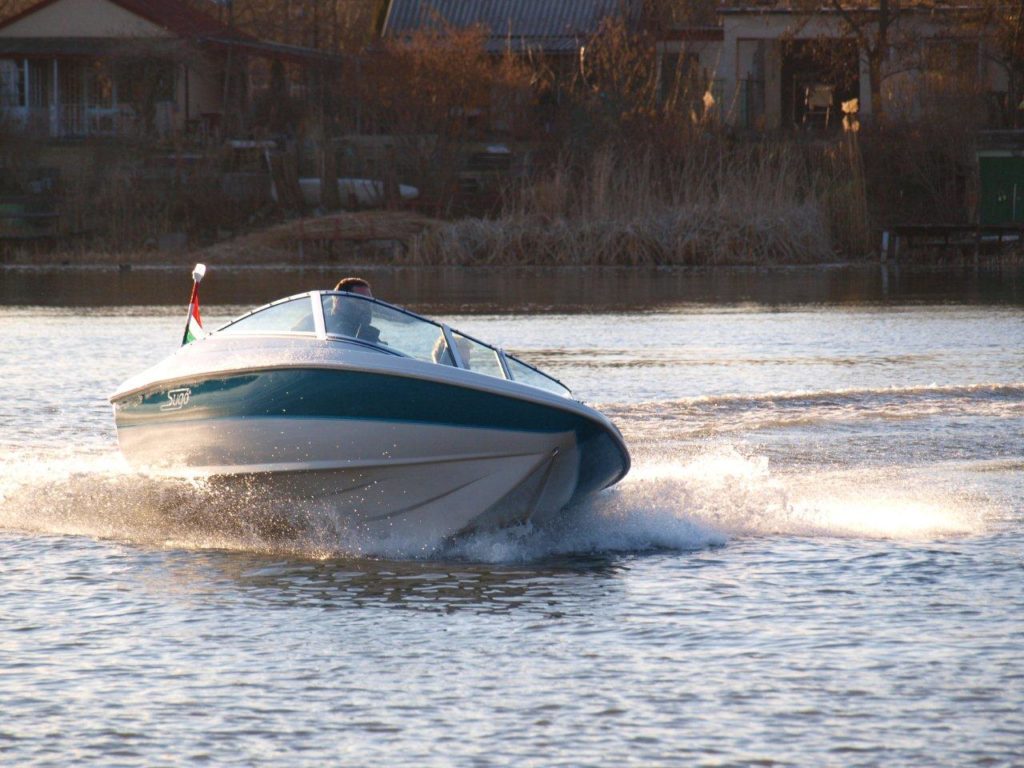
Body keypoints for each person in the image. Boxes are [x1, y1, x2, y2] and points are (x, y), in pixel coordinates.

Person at [327, 276, 380, 341]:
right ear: (340, 303)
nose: (367, 306)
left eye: (369, 301)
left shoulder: (365, 333)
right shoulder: (330, 330)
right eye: (361, 301)